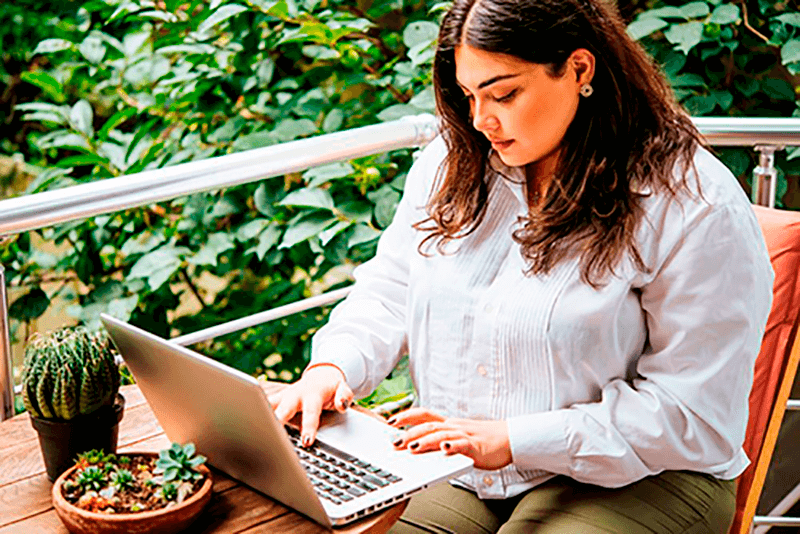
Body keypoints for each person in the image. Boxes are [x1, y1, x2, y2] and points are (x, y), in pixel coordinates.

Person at [269, 0, 774, 532]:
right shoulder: (453, 161)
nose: (480, 119)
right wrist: (333, 366)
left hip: (648, 477)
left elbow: (691, 413)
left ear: (580, 69)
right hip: (467, 466)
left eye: (503, 93)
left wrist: (514, 439)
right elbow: (392, 287)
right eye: (468, 95)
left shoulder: (692, 201)